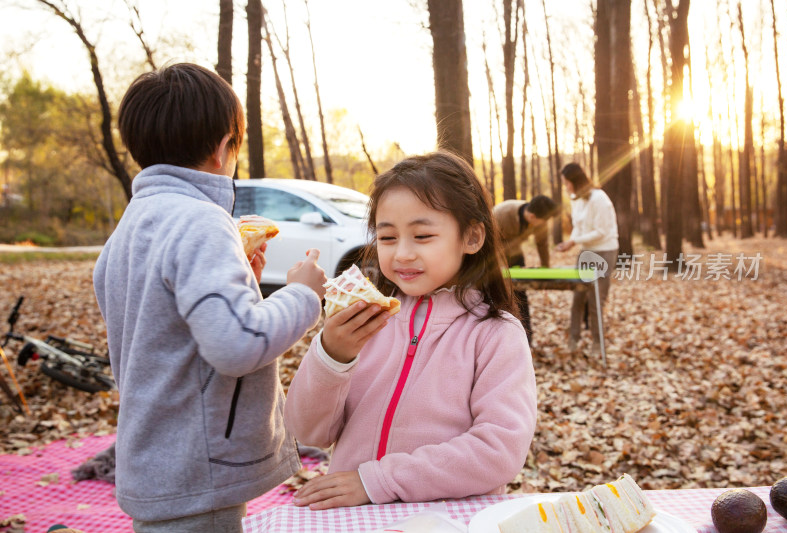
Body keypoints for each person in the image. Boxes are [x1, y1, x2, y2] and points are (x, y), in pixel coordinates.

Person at [92, 63, 327, 532]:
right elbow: (236, 346)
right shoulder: (201, 221)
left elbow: (170, 331)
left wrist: (244, 285)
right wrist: (302, 293)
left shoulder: (131, 227)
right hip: (196, 465)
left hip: (156, 459)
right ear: (224, 149)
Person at [285, 151, 537, 509]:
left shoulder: (496, 334)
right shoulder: (365, 321)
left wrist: (378, 480)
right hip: (353, 520)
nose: (401, 253)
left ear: (472, 237)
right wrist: (332, 355)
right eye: (387, 238)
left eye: (422, 235)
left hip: (450, 519)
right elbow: (308, 432)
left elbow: (499, 449)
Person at [554, 162, 618, 354]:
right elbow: (578, 226)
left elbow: (601, 232)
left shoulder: (600, 199)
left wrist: (574, 242)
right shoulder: (577, 199)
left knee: (596, 299)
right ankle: (573, 340)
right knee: (578, 297)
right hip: (586, 252)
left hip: (605, 251)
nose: (566, 187)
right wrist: (571, 241)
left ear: (575, 181)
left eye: (567, 183)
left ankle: (598, 344)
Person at [493, 195, 558, 342]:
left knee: (520, 293)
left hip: (515, 253)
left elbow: (542, 244)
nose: (545, 224)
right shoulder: (502, 214)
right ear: (533, 216)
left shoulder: (540, 219)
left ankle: (526, 338)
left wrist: (545, 268)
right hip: (493, 253)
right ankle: (503, 338)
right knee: (499, 294)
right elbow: (491, 245)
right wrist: (502, 270)